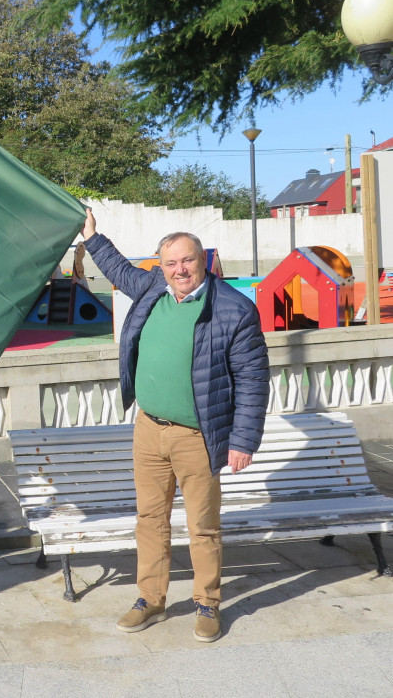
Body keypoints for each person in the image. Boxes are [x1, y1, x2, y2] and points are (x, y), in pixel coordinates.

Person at [81, 208, 269, 643]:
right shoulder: (152, 288)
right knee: (150, 518)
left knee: (202, 525)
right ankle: (150, 598)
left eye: (187, 260)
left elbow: (253, 379)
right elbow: (119, 269)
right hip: (148, 428)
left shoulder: (233, 310)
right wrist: (92, 236)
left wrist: (242, 440)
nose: (179, 270)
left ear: (202, 260)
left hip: (198, 437)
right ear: (161, 266)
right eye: (170, 263)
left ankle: (207, 603)